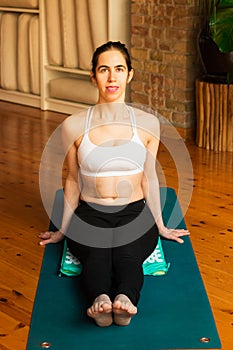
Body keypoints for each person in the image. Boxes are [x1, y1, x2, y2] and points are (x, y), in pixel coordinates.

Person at [39, 41, 189, 327]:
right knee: (96, 253)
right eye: (103, 69)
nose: (111, 78)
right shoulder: (73, 125)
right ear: (93, 76)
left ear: (129, 75)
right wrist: (61, 230)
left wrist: (159, 224)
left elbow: (149, 176)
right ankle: (100, 300)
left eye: (119, 69)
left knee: (127, 254)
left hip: (134, 211)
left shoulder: (147, 124)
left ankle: (125, 301)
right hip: (89, 211)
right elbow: (72, 179)